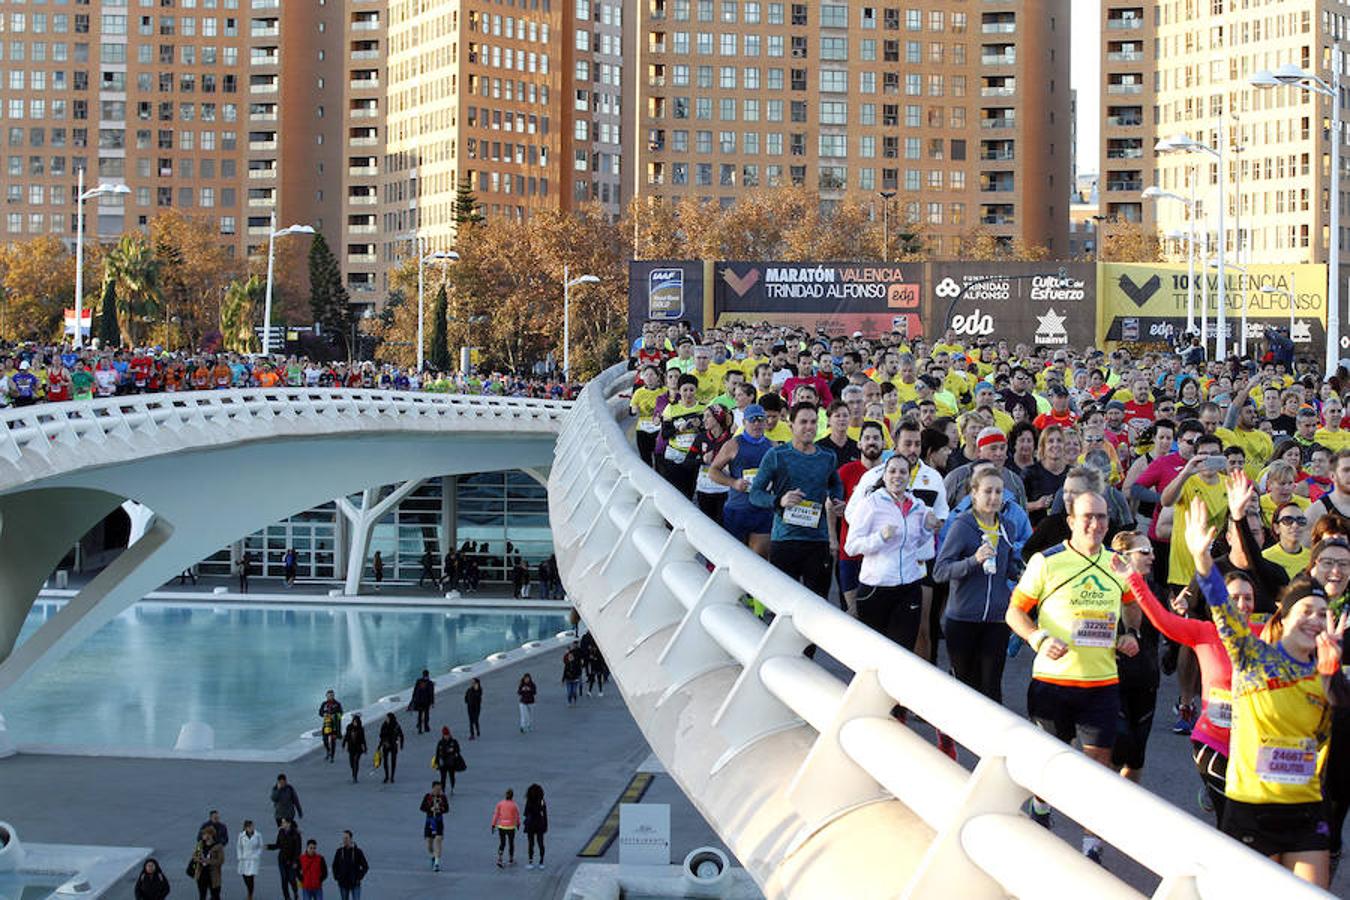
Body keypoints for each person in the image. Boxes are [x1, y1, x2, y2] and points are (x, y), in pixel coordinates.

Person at [1184, 499, 1349, 888]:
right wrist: (1201, 558)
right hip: (1250, 807)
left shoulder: (1326, 670)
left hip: (1305, 808)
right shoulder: (1252, 653)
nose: (1314, 619)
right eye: (1305, 610)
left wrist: (1332, 676)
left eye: (1322, 613)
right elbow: (1222, 608)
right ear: (1285, 616)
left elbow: (1342, 724)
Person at [1005, 489, 1143, 864]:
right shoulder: (1047, 562)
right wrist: (1037, 638)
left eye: (1102, 517)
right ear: (1070, 521)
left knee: (1099, 767)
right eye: (1088, 516)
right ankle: (1040, 805)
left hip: (1101, 684)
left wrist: (1131, 636)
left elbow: (1132, 608)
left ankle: (1091, 847)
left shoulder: (1118, 564)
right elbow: (1015, 612)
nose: (1096, 524)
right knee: (1050, 763)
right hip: (1053, 681)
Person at [933, 465, 1023, 702]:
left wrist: (1019, 572)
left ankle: (991, 739)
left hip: (996, 619)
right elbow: (940, 571)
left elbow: (1006, 569)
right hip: (963, 619)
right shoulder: (962, 525)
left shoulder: (1008, 527)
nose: (994, 498)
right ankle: (952, 732)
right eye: (988, 491)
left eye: (999, 492)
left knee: (992, 688)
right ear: (974, 493)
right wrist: (974, 560)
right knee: (966, 688)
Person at [843, 453, 938, 653]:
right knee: (874, 652)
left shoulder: (918, 506)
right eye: (892, 471)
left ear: (909, 476)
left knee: (902, 651)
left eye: (903, 471)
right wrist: (880, 538)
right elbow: (851, 546)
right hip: (876, 587)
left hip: (909, 586)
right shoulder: (871, 504)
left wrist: (928, 529)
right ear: (884, 476)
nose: (898, 476)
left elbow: (917, 544)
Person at [749, 402, 844, 600]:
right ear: (791, 424)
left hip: (818, 542)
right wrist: (779, 501)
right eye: (803, 422)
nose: (809, 427)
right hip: (785, 540)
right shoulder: (776, 455)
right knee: (782, 603)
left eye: (813, 422)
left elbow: (835, 484)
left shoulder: (827, 457)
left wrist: (836, 501)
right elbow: (755, 493)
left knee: (817, 604)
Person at [1106, 532, 1162, 789]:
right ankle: (1095, 819)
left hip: (1146, 679)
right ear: (1122, 557)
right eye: (1144, 552)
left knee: (1136, 756)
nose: (1152, 556)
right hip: (1112, 678)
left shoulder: (1156, 589)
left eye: (1151, 550)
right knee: (1118, 748)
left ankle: (1126, 807)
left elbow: (1167, 628)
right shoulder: (1107, 589)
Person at [267, 817, 302, 900]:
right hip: (282, 859)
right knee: (284, 880)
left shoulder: (296, 834)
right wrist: (269, 847)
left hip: (292, 860)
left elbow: (298, 850)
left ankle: (295, 893)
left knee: (292, 879)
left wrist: (295, 862)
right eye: (282, 822)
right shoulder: (281, 832)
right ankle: (287, 897)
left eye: (283, 822)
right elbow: (278, 845)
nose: (282, 824)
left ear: (289, 823)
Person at [420, 781, 449, 871]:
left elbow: (447, 809)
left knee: (438, 840)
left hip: (439, 821)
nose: (438, 791)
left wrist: (440, 809)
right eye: (437, 789)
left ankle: (436, 863)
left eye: (440, 789)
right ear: (433, 788)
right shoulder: (427, 796)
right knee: (429, 844)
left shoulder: (443, 797)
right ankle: (433, 855)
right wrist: (430, 808)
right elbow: (422, 808)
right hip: (429, 821)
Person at [331, 831, 369, 900]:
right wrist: (337, 877)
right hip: (343, 883)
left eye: (346, 838)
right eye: (343, 838)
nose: (344, 840)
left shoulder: (358, 851)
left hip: (355, 883)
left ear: (351, 839)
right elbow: (334, 865)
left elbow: (365, 866)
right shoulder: (339, 851)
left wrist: (359, 877)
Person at [192, 826, 225, 900]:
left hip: (213, 875)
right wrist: (197, 858)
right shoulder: (200, 844)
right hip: (201, 874)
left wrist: (205, 860)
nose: (202, 836)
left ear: (210, 835)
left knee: (215, 896)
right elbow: (194, 855)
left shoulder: (218, 846)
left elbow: (221, 861)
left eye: (204, 834)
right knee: (202, 896)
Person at [491, 787, 521, 868]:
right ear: (512, 796)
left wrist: (493, 825)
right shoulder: (514, 805)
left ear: (505, 795)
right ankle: (511, 859)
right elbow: (517, 816)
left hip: (501, 827)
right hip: (511, 827)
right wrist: (518, 824)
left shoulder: (500, 804)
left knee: (502, 843)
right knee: (511, 843)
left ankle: (500, 859)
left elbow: (496, 815)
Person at [523, 783, 549, 870]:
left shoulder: (529, 801)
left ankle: (530, 862)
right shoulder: (542, 801)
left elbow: (525, 813)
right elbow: (544, 813)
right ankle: (541, 862)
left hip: (530, 825)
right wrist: (546, 825)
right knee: (540, 843)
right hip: (540, 824)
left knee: (531, 843)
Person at [237, 819, 263, 900]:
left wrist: (257, 855)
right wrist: (240, 856)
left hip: (253, 859)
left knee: (250, 877)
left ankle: (250, 894)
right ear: (246, 828)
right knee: (244, 876)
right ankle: (249, 890)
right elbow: (239, 846)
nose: (252, 828)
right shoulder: (241, 835)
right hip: (244, 859)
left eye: (252, 826)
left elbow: (260, 846)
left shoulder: (258, 835)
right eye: (250, 827)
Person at [434, 726, 463, 793]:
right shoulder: (440, 743)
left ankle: (452, 787)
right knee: (443, 777)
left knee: (451, 776)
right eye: (445, 735)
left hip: (451, 763)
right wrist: (436, 762)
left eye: (447, 735)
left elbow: (457, 750)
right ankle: (443, 789)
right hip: (443, 763)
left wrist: (453, 752)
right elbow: (437, 753)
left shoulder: (454, 742)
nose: (446, 736)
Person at [378, 712, 404, 783]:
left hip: (393, 745)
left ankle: (392, 776)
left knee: (393, 761)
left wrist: (401, 744)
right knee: (385, 761)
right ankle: (386, 776)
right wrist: (380, 745)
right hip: (385, 744)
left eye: (387, 718)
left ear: (390, 718)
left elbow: (401, 735)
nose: (386, 719)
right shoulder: (384, 725)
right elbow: (381, 735)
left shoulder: (396, 725)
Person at [319, 690, 343, 763]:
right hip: (326, 724)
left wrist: (334, 716)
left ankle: (332, 757)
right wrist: (324, 714)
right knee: (325, 740)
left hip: (334, 726)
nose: (330, 697)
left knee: (333, 742)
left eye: (332, 695)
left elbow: (341, 714)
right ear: (326, 696)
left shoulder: (337, 704)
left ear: (334, 696)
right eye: (329, 695)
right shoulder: (324, 704)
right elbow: (320, 713)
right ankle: (328, 751)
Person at [341, 714, 367, 783]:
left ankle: (355, 777)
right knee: (351, 763)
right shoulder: (349, 727)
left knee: (356, 762)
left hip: (358, 748)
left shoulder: (361, 728)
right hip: (351, 747)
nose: (355, 723)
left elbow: (363, 739)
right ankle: (353, 774)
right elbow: (346, 736)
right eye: (354, 721)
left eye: (356, 722)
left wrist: (365, 748)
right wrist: (343, 744)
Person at [411, 669, 435, 734]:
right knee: (426, 714)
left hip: (419, 701)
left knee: (420, 714)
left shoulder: (418, 681)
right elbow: (431, 693)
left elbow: (415, 691)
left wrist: (413, 699)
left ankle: (420, 727)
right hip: (426, 702)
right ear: (428, 675)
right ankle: (426, 727)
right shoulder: (430, 683)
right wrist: (432, 702)